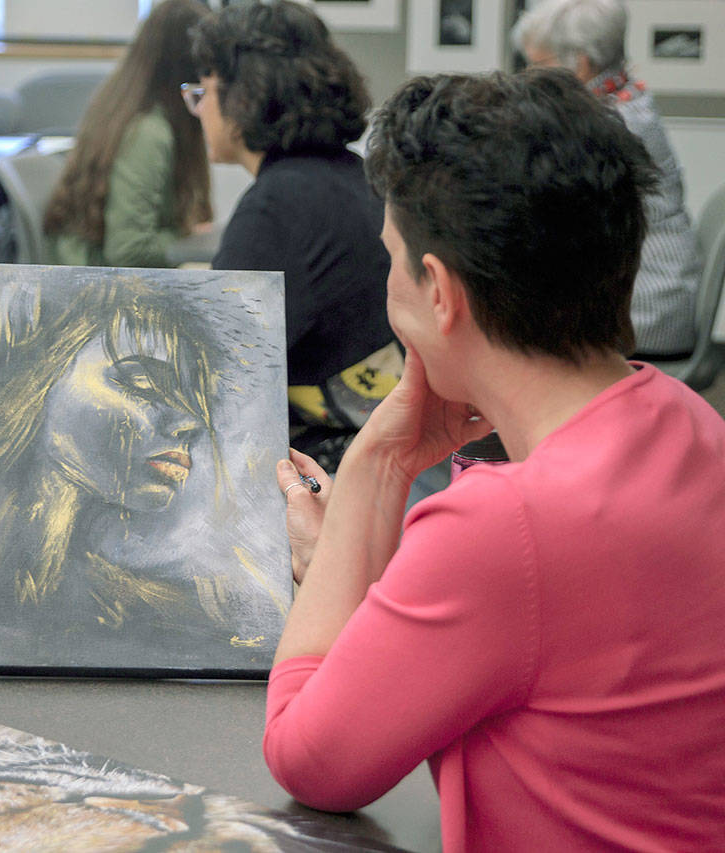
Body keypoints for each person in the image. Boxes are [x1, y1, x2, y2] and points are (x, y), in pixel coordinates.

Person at [264, 68, 725, 848]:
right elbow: (548, 622)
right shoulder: (690, 421)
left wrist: (377, 463)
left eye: (391, 259)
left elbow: (307, 756)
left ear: (439, 292)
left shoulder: (503, 526)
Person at [0, 278, 287, 664]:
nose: (189, 421)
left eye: (197, 403)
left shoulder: (169, 618)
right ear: (40, 378)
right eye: (143, 382)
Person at [189, 1, 400, 472]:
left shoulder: (277, 205)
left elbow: (212, 370)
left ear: (240, 99)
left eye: (202, 92)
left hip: (331, 459)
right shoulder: (353, 172)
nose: (199, 110)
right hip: (382, 440)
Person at [514, 0, 702, 358]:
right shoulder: (626, 98)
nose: (528, 78)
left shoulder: (610, 124)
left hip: (645, 316)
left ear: (581, 64)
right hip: (660, 296)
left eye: (537, 66)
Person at [43, 0, 212, 268]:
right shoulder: (149, 133)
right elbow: (128, 251)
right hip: (102, 290)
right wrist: (188, 236)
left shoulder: (122, 104)